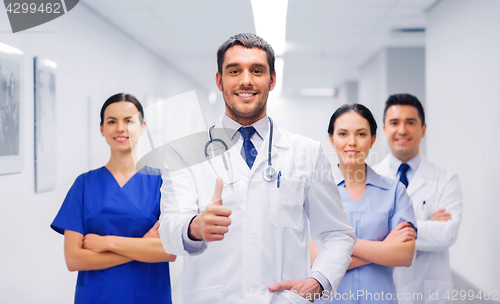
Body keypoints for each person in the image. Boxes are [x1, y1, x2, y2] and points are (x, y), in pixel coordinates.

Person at [159, 33, 356, 304]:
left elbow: (337, 234)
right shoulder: (184, 153)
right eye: (234, 71)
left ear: (272, 80)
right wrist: (195, 226)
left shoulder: (306, 152)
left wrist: (319, 281)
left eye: (257, 70)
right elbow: (169, 230)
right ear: (220, 81)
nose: (246, 80)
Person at [51, 93, 176, 304]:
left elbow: (168, 251)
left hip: (147, 296)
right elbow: (73, 259)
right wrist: (142, 247)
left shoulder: (162, 183)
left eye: (129, 121)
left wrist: (106, 242)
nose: (120, 128)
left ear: (143, 127)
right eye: (112, 121)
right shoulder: (84, 185)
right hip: (96, 297)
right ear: (102, 129)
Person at [312, 104, 417, 303]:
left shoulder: (394, 192)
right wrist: (384, 248)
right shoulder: (316, 190)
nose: (352, 142)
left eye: (361, 134)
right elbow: (313, 258)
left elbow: (405, 255)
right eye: (343, 134)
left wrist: (334, 247)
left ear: (373, 139)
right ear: (331, 139)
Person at [373, 93, 463, 304]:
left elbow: (447, 234)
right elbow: (364, 235)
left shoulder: (445, 179)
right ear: (385, 129)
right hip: (382, 289)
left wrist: (390, 234)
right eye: (394, 122)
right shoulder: (371, 178)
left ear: (423, 129)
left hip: (428, 292)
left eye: (410, 122)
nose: (402, 130)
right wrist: (426, 227)